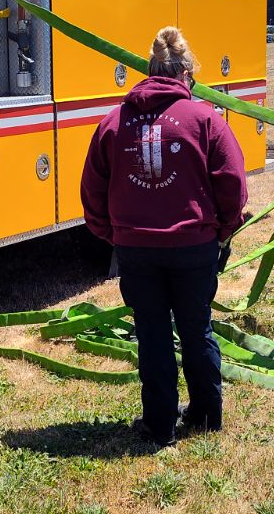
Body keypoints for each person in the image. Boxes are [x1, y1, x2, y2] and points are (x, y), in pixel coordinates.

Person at [80, 27, 248, 447]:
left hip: (136, 249)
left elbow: (92, 191)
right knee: (196, 328)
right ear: (186, 75)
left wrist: (114, 235)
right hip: (194, 247)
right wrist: (222, 231)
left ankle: (159, 425)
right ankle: (207, 416)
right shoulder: (206, 119)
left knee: (152, 333)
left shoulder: (113, 122)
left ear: (150, 71)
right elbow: (233, 185)